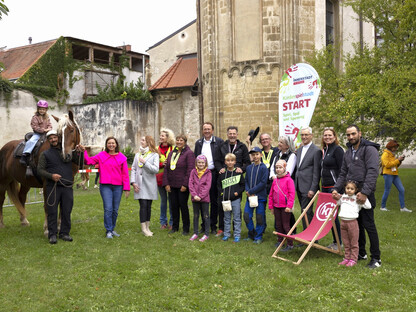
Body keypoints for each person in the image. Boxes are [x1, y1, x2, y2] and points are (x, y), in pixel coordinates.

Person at [332, 124, 382, 269]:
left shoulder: (370, 149)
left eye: (353, 134)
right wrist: (336, 189)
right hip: (352, 194)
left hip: (365, 194)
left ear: (360, 133)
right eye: (348, 135)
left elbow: (373, 171)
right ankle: (361, 253)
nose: (351, 137)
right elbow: (343, 173)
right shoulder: (348, 152)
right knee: (357, 226)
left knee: (369, 225)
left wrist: (365, 192)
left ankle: (376, 258)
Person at [37, 130, 82, 244]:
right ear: (48, 141)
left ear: (58, 138)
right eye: (51, 138)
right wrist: (51, 176)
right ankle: (52, 234)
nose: (53, 140)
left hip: (67, 186)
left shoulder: (67, 152)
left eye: (55, 137)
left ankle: (64, 233)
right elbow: (40, 170)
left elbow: (80, 162)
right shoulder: (45, 154)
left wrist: (79, 152)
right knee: (52, 211)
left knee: (66, 211)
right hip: (53, 186)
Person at [83, 136, 130, 239]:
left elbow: (125, 174)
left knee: (115, 210)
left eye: (113, 143)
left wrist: (127, 188)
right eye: (109, 143)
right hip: (105, 186)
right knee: (108, 209)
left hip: (118, 187)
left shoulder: (122, 157)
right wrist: (84, 152)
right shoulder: (101, 155)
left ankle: (112, 229)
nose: (111, 145)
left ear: (116, 144)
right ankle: (108, 230)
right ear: (106, 145)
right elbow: (88, 161)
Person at [214, 126, 250, 237]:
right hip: (224, 176)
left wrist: (242, 169)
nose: (232, 135)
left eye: (234, 133)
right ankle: (223, 229)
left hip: (236, 178)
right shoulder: (222, 146)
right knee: (223, 207)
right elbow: (217, 160)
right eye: (230, 133)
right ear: (227, 134)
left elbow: (247, 162)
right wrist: (220, 168)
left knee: (236, 207)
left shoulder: (242, 147)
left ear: (237, 134)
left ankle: (236, 230)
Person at [194, 122, 224, 235]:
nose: (206, 131)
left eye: (209, 129)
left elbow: (222, 157)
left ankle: (213, 225)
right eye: (205, 129)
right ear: (202, 131)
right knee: (202, 199)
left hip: (214, 173)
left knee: (214, 201)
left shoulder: (219, 142)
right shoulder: (199, 143)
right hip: (202, 174)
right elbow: (195, 158)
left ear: (212, 130)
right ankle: (203, 225)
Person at [163, 134, 195, 235]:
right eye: (177, 140)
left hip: (182, 186)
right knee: (173, 206)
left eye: (181, 140)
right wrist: (166, 184)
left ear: (185, 142)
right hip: (172, 185)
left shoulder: (189, 153)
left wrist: (185, 185)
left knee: (183, 206)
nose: (179, 142)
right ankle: (175, 227)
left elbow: (190, 170)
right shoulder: (172, 153)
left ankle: (186, 228)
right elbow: (166, 169)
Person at [319, 127, 345, 250]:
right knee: (328, 216)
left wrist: (338, 188)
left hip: (334, 188)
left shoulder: (338, 150)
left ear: (335, 137)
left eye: (330, 135)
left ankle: (338, 242)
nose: (327, 137)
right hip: (324, 187)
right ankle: (336, 241)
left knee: (333, 216)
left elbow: (343, 170)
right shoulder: (325, 150)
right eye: (325, 135)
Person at [337, 181, 371, 267]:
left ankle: (353, 259)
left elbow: (368, 206)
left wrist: (364, 197)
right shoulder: (343, 197)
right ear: (345, 188)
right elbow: (338, 204)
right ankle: (347, 258)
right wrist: (337, 198)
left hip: (352, 223)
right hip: (343, 222)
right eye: (348, 188)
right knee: (346, 242)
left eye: (352, 189)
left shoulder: (357, 198)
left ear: (356, 190)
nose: (349, 190)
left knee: (354, 243)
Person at [131, 136, 160, 237]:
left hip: (150, 184)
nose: (141, 141)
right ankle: (143, 228)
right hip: (139, 184)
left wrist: (145, 163)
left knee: (148, 206)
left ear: (148, 142)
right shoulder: (137, 155)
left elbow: (156, 169)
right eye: (141, 139)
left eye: (143, 140)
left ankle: (147, 227)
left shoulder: (154, 155)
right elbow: (134, 169)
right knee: (143, 206)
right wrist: (133, 182)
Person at [295, 127, 320, 230]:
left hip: (308, 186)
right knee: (305, 211)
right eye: (302, 135)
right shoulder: (299, 149)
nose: (304, 137)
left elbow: (316, 171)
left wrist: (313, 188)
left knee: (306, 211)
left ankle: (310, 238)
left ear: (311, 136)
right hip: (299, 184)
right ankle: (308, 236)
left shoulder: (316, 150)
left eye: (306, 135)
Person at [268, 160, 295, 251]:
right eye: (277, 168)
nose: (278, 170)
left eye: (280, 167)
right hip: (276, 206)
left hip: (285, 207)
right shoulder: (275, 181)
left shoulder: (289, 180)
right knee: (278, 225)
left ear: (284, 168)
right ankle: (280, 240)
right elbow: (271, 194)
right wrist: (271, 206)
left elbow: (292, 194)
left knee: (286, 225)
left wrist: (289, 206)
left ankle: (290, 243)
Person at [244, 146, 269, 244]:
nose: (255, 156)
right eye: (253, 155)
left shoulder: (264, 168)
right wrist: (247, 190)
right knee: (246, 216)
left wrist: (251, 191)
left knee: (259, 217)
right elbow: (246, 180)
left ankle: (259, 236)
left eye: (257, 154)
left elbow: (263, 183)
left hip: (260, 197)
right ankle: (252, 233)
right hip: (250, 197)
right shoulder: (249, 168)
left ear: (261, 155)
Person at [218, 153, 245, 243]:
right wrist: (222, 193)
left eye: (232, 161)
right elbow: (219, 185)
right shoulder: (222, 173)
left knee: (236, 218)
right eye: (228, 161)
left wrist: (238, 193)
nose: (230, 162)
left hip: (235, 200)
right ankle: (226, 234)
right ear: (225, 162)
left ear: (235, 162)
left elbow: (242, 185)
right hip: (225, 200)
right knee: (226, 217)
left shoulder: (238, 172)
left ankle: (237, 235)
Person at [380, 140, 411, 212]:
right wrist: (397, 160)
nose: (396, 149)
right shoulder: (385, 154)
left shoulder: (392, 154)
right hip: (388, 174)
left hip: (394, 174)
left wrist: (400, 161)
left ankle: (403, 208)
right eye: (395, 147)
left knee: (402, 190)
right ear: (391, 147)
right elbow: (387, 165)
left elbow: (394, 165)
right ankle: (383, 207)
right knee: (387, 190)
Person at [20, 100, 53, 165]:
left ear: (46, 110)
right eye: (40, 109)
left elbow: (50, 125)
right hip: (38, 134)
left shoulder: (47, 117)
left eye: (43, 109)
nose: (42, 111)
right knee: (31, 141)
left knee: (54, 140)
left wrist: (49, 129)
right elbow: (34, 127)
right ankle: (25, 154)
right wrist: (43, 130)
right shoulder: (35, 117)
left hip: (46, 134)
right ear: (38, 109)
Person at [189, 155, 212, 242]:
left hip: (204, 198)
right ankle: (195, 232)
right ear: (196, 163)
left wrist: (201, 196)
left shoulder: (208, 172)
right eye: (199, 162)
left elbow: (208, 186)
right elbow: (190, 184)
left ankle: (206, 234)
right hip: (195, 198)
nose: (201, 164)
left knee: (205, 215)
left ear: (205, 163)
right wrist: (194, 195)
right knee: (195, 215)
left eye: (202, 162)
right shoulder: (193, 172)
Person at [157, 128, 175, 229]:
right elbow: (153, 162)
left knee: (171, 201)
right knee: (163, 201)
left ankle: (172, 222)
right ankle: (163, 222)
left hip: (171, 179)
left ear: (168, 138)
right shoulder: (156, 149)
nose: (160, 137)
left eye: (163, 135)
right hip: (160, 178)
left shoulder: (173, 148)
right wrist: (161, 164)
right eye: (160, 135)